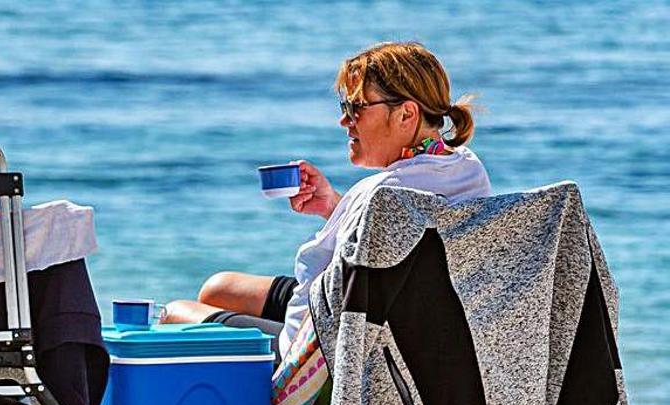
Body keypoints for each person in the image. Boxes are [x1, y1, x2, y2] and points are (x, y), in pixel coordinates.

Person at [162, 42, 492, 358]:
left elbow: (307, 307)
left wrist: (285, 365)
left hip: (339, 359)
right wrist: (335, 207)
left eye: (356, 108)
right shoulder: (468, 168)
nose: (344, 121)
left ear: (407, 114)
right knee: (219, 288)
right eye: (344, 107)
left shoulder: (376, 193)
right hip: (409, 334)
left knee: (176, 313)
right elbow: (401, 232)